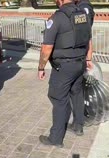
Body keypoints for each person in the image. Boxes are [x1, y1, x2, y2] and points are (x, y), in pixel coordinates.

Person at [37, 0, 93, 147]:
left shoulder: (57, 17)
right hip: (79, 63)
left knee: (58, 99)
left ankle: (55, 139)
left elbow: (47, 47)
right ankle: (78, 126)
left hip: (64, 67)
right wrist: (88, 58)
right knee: (77, 93)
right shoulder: (83, 15)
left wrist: (41, 67)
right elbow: (88, 40)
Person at [69, 0, 96, 129]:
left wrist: (88, 58)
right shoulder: (83, 6)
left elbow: (86, 34)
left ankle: (81, 117)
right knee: (78, 90)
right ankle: (79, 122)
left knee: (78, 90)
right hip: (82, 55)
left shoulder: (83, 8)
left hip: (79, 55)